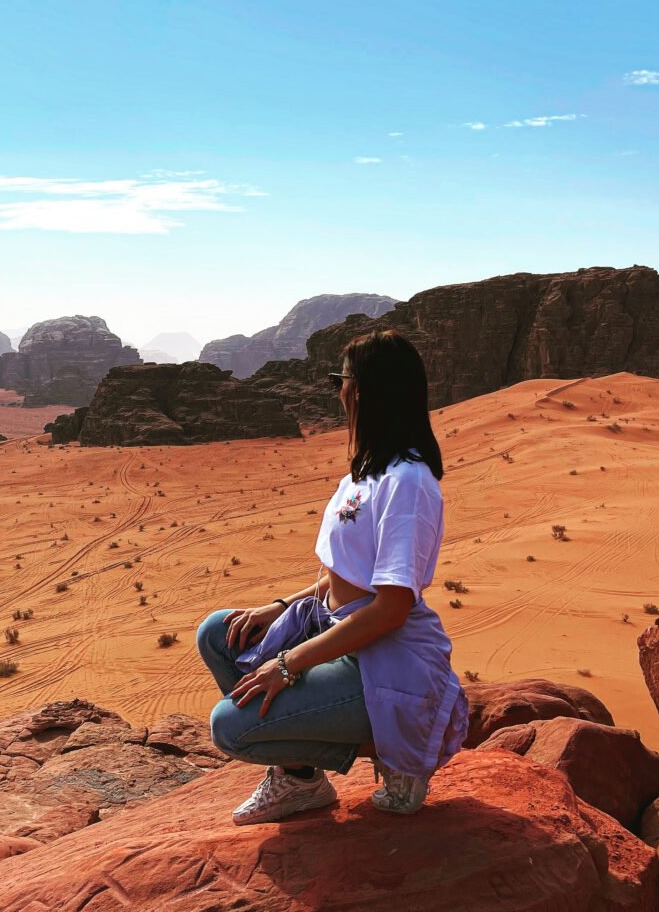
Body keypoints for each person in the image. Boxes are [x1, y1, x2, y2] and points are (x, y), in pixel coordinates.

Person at [196, 329, 468, 825]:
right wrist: (278, 609)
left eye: (341, 379)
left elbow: (390, 608)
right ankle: (300, 781)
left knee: (230, 728)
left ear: (362, 389)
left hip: (384, 655)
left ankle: (394, 752)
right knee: (219, 632)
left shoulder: (408, 484)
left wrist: (288, 664)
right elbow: (344, 573)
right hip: (332, 625)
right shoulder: (364, 472)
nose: (338, 390)